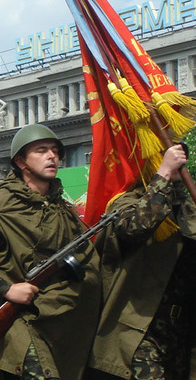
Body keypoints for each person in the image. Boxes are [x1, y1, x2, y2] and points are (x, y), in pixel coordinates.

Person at [0, 124, 100, 379]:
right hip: (22, 322)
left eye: (55, 151)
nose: (52, 156)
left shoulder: (61, 207)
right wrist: (6, 289)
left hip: (57, 319)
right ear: (20, 161)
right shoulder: (0, 207)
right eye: (41, 151)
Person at [88, 144, 196, 379]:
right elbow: (136, 227)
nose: (179, 159)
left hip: (181, 331)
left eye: (181, 155)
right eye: (168, 154)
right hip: (139, 328)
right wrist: (164, 173)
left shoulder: (190, 205)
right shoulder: (127, 201)